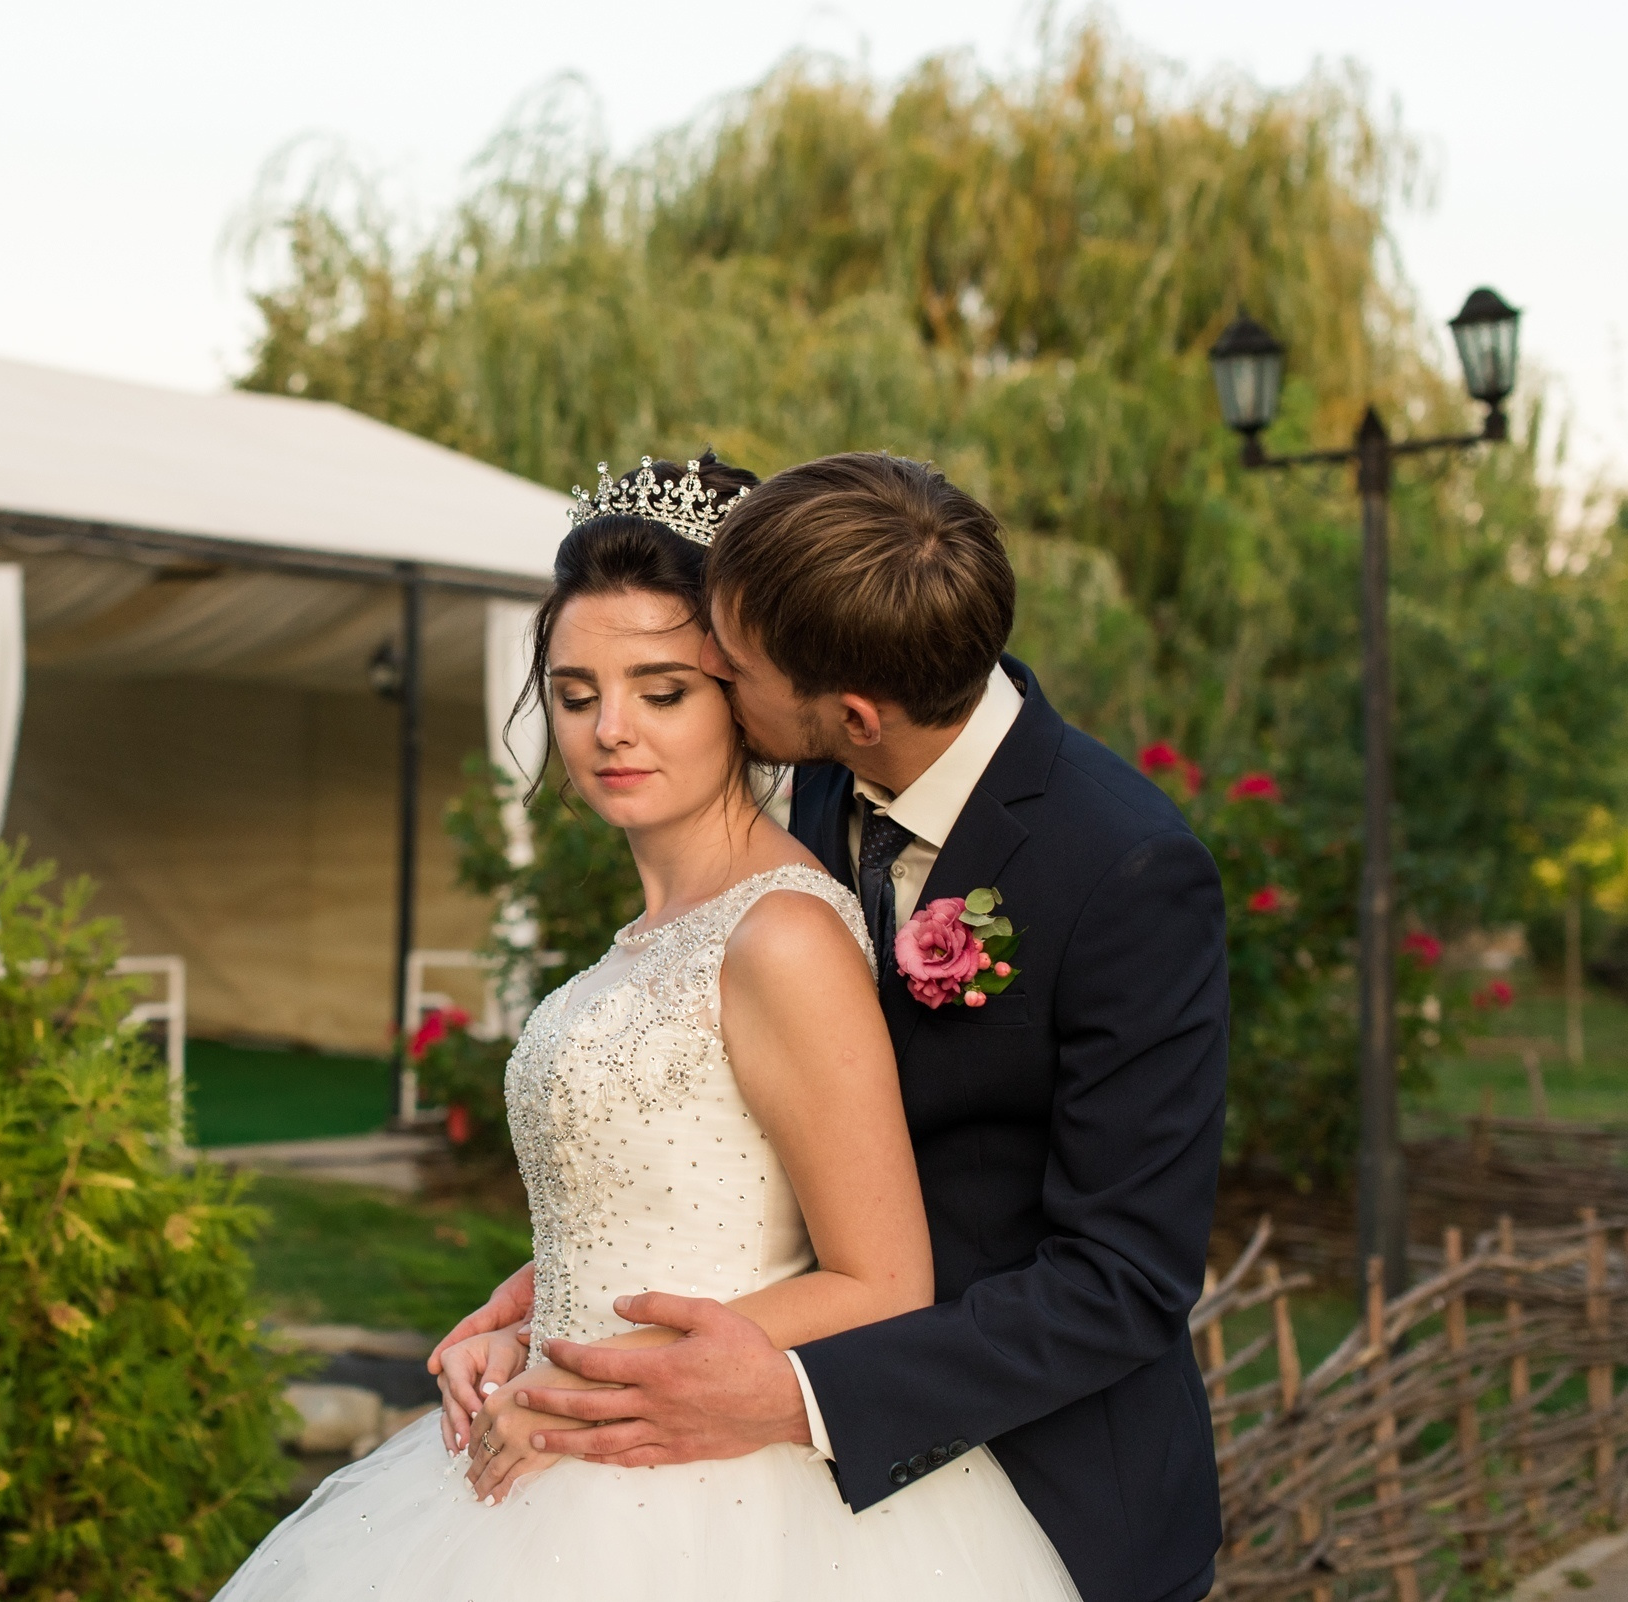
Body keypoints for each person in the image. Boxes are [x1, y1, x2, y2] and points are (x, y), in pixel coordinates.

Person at [213, 454, 1084, 1602]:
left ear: (746, 697)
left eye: (662, 691)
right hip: (554, 1453)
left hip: (723, 1502)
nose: (611, 730)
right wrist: (524, 1328)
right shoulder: (658, 931)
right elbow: (675, 1200)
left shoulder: (782, 934)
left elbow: (880, 1279)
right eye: (576, 695)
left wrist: (581, 1381)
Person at [432, 452, 1231, 1602]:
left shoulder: (1126, 870)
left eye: (723, 672)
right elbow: (752, 1128)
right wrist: (555, 1292)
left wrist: (793, 1390)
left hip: (1046, 1488)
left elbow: (1123, 1278)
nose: (706, 683)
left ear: (847, 710)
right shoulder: (826, 776)